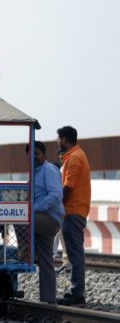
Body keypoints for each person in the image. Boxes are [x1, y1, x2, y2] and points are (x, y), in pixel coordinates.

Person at [24, 141, 64, 304]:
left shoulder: (48, 170)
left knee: (20, 218)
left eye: (37, 154)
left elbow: (56, 195)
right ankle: (48, 299)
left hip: (49, 218)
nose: (34, 157)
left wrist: (35, 208)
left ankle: (26, 252)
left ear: (44, 155)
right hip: (41, 218)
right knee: (46, 259)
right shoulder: (34, 172)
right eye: (31, 155)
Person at [57, 125, 91, 306]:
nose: (57, 142)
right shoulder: (74, 156)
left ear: (64, 139)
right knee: (74, 254)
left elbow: (68, 188)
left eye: (59, 139)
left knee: (75, 255)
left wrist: (56, 205)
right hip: (73, 211)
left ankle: (78, 293)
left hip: (72, 211)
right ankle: (76, 291)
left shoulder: (75, 158)